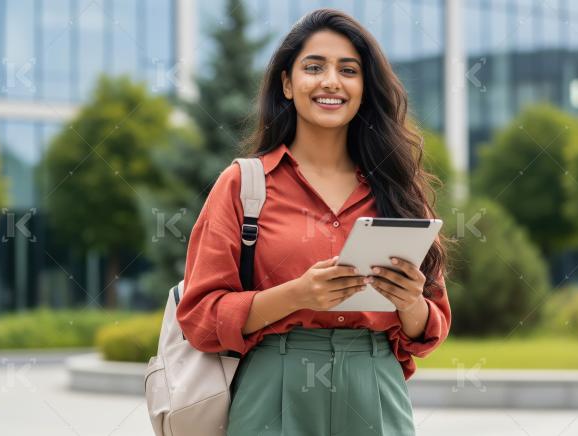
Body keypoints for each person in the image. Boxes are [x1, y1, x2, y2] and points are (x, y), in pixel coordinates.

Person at [176, 8, 452, 436]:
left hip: (375, 388)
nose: (331, 81)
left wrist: (409, 301)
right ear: (287, 84)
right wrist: (297, 295)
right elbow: (199, 317)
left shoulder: (396, 188)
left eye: (348, 70)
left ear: (364, 88)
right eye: (314, 67)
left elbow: (430, 327)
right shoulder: (244, 185)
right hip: (273, 389)